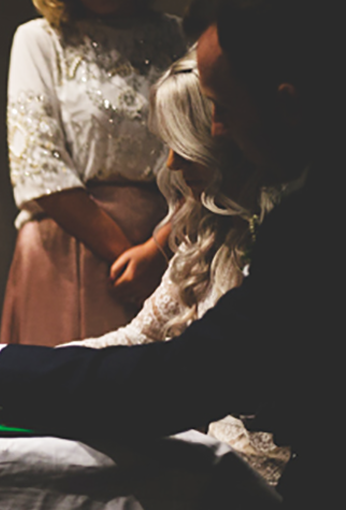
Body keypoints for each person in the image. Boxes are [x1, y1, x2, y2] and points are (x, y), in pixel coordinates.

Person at [0, 0, 345, 510]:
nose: (215, 134)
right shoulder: (287, 200)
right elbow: (154, 344)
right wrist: (12, 367)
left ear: (289, 103)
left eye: (225, 111)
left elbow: (187, 376)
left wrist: (2, 372)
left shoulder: (312, 224)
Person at [64, 46, 292, 483]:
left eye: (182, 143)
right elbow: (138, 339)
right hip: (215, 472)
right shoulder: (209, 233)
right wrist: (13, 369)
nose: (171, 162)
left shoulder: (285, 236)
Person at [0, 0, 187, 346]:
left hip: (169, 239)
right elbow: (38, 163)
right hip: (69, 243)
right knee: (60, 393)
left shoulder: (182, 37)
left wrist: (156, 252)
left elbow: (208, 152)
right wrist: (130, 261)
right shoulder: (40, 40)